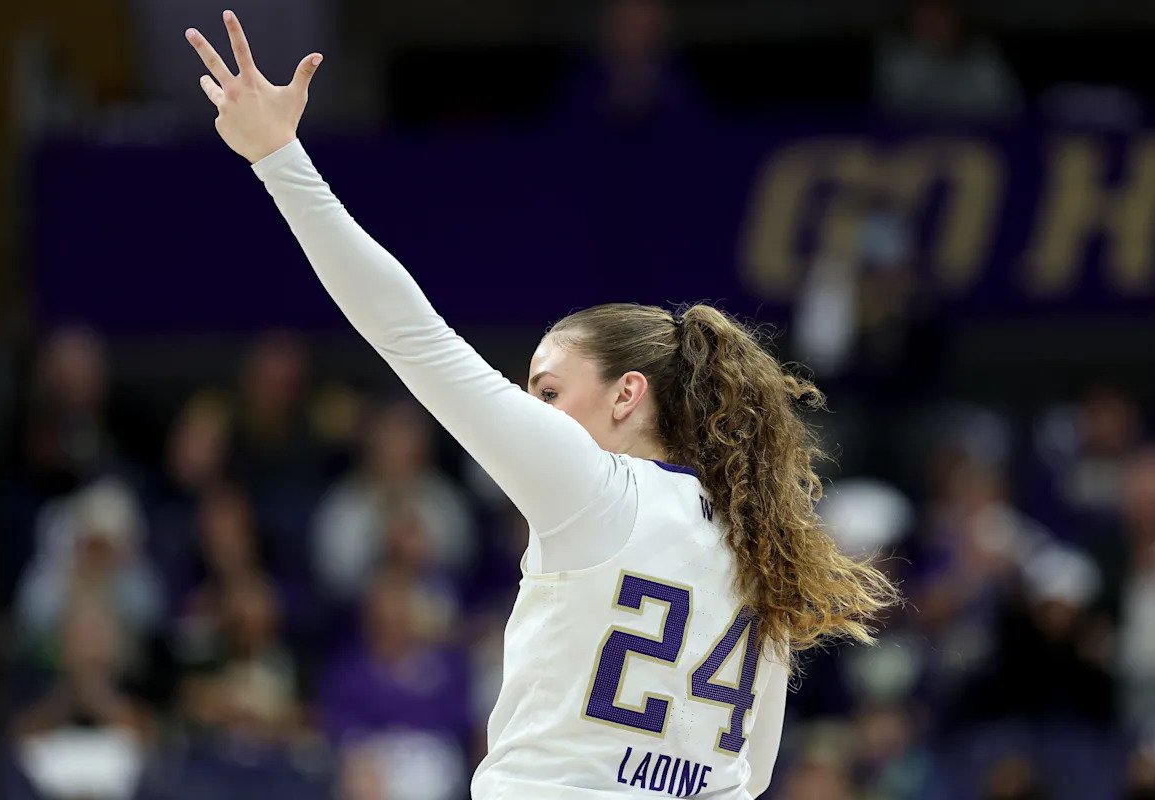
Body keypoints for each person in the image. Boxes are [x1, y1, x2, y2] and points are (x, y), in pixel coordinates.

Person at [184, 12, 898, 797]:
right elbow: (750, 774)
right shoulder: (763, 544)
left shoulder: (592, 484)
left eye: (549, 391)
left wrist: (280, 160)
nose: (531, 411)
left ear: (628, 394)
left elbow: (412, 337)